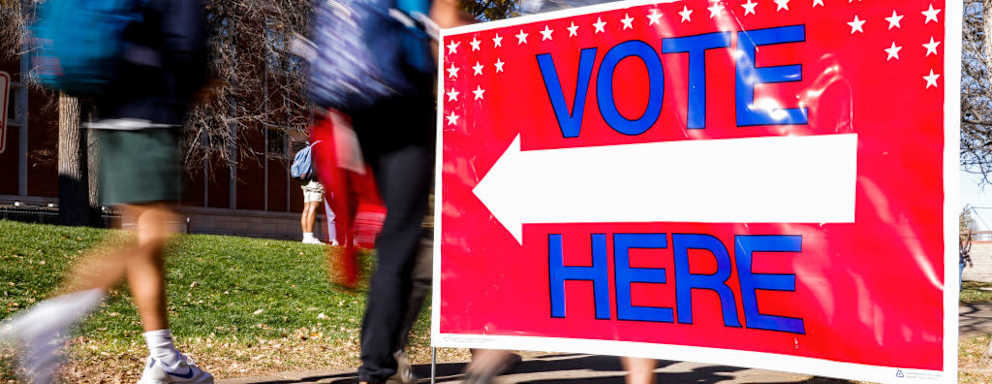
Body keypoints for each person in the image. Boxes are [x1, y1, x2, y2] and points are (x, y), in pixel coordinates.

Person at [0, 1, 212, 383]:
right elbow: (187, 45)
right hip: (150, 108)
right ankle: (49, 318)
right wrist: (200, 81)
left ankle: (163, 360)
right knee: (160, 229)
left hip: (114, 106)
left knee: (144, 235)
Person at [301, 176, 336, 245]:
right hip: (315, 181)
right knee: (314, 206)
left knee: (306, 207)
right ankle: (309, 236)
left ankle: (306, 236)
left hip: (306, 181)